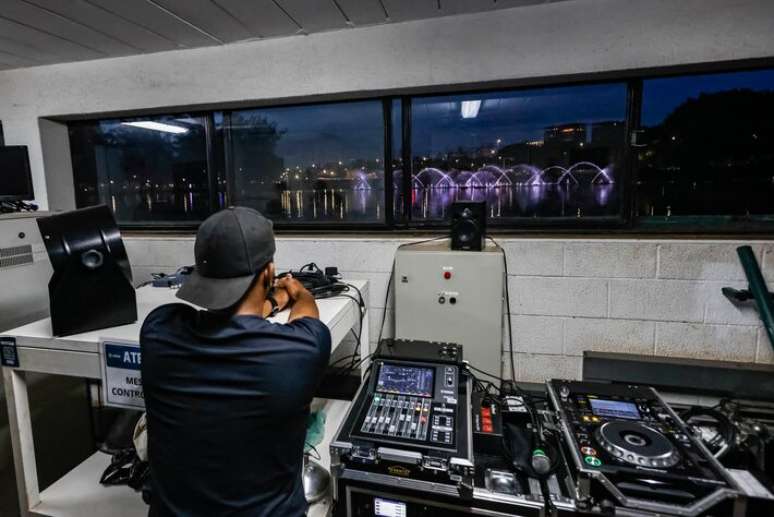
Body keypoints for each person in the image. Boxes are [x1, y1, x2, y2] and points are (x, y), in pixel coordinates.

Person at [140, 207, 331, 517]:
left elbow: (210, 315)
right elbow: (307, 317)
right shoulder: (301, 350)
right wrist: (296, 293)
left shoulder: (157, 332)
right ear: (269, 273)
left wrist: (268, 302)